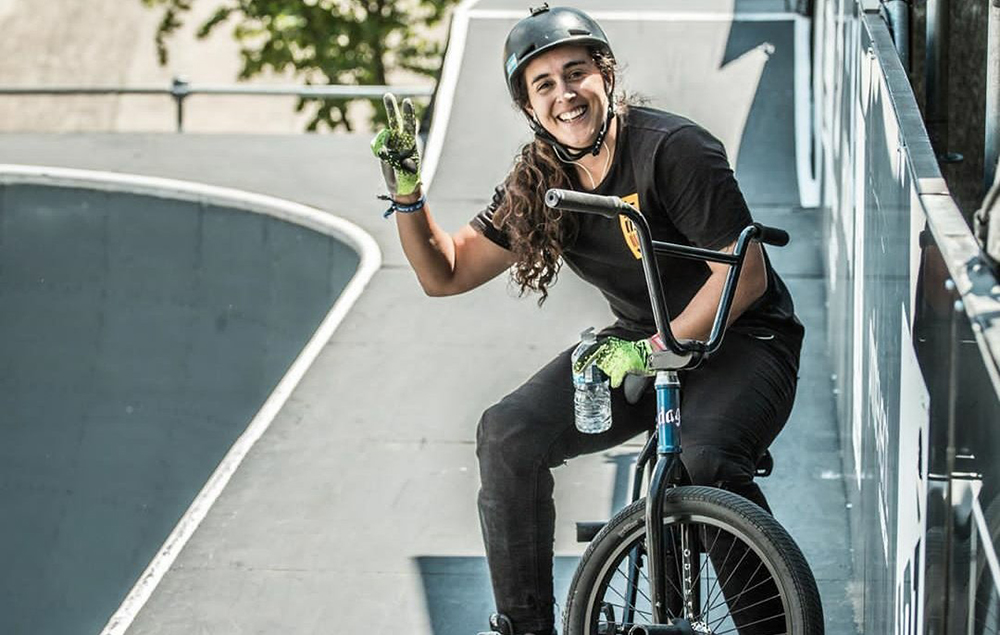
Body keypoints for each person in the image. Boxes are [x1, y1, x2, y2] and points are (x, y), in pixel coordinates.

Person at [371, 5, 805, 635]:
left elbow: (746, 275)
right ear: (528, 106)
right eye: (544, 85)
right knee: (508, 434)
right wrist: (408, 197)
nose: (565, 95)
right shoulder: (539, 179)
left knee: (705, 461)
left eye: (576, 74)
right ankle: (527, 627)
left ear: (606, 75)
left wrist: (654, 347)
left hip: (741, 341)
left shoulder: (673, 149)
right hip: (640, 340)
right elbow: (448, 272)